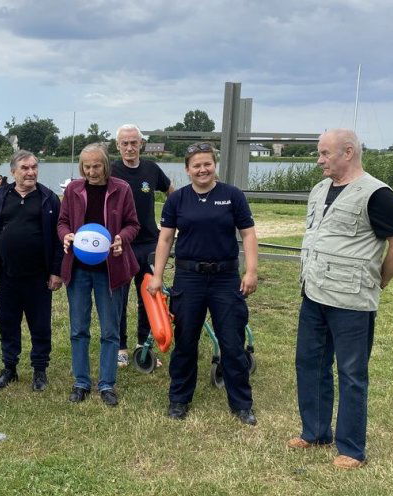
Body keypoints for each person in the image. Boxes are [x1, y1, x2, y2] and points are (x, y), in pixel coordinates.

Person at [289, 129, 393, 469]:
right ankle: (314, 432)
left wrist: (376, 283)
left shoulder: (378, 195)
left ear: (348, 152)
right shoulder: (319, 190)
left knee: (351, 372)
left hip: (352, 303)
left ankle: (351, 448)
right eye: (319, 153)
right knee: (310, 364)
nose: (319, 160)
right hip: (313, 294)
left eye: (325, 154)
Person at [147, 142, 259, 425]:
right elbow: (165, 238)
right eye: (196, 165)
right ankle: (179, 400)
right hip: (189, 277)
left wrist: (251, 271)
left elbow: (248, 234)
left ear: (214, 166)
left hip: (225, 278)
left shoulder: (232, 195)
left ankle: (242, 404)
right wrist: (158, 276)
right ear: (187, 170)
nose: (202, 169)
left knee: (232, 342)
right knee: (186, 341)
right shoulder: (178, 200)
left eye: (207, 163)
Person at [58, 143, 140, 406]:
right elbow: (62, 222)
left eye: (96, 166)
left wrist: (120, 239)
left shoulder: (122, 189)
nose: (91, 172)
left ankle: (107, 384)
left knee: (110, 330)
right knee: (78, 328)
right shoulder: (73, 189)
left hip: (110, 270)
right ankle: (81, 381)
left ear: (106, 164)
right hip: (79, 270)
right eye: (86, 166)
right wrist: (66, 235)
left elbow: (133, 224)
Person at [0, 150, 63, 391]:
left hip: (39, 276)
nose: (31, 172)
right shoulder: (0, 198)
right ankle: (9, 368)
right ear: (13, 171)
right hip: (8, 275)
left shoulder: (48, 198)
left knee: (40, 324)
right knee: (8, 323)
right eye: (25, 168)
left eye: (34, 167)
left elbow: (59, 239)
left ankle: (39, 370)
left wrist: (56, 271)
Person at [111, 124, 174, 367]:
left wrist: (177, 215)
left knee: (148, 295)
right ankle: (120, 347)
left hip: (149, 243)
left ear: (141, 144)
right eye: (124, 143)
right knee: (120, 296)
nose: (129, 147)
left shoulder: (151, 169)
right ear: (118, 146)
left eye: (133, 142)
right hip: (121, 244)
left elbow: (171, 192)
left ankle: (143, 344)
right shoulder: (111, 170)